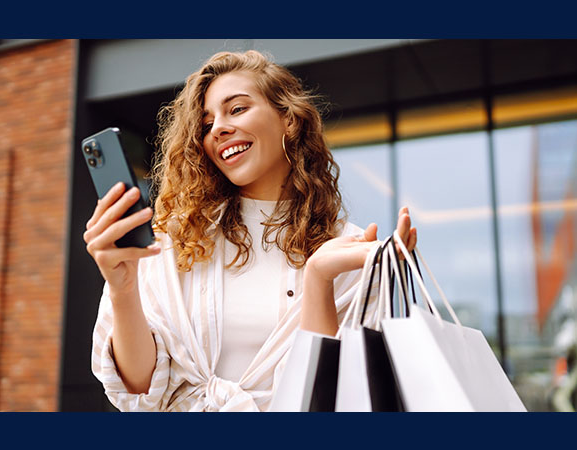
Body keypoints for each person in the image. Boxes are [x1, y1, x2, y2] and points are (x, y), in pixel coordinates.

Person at [86, 50, 417, 411]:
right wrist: (123, 289)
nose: (219, 129)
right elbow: (138, 389)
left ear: (288, 120)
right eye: (206, 123)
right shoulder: (173, 241)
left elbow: (336, 399)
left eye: (238, 109)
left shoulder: (345, 248)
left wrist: (319, 279)